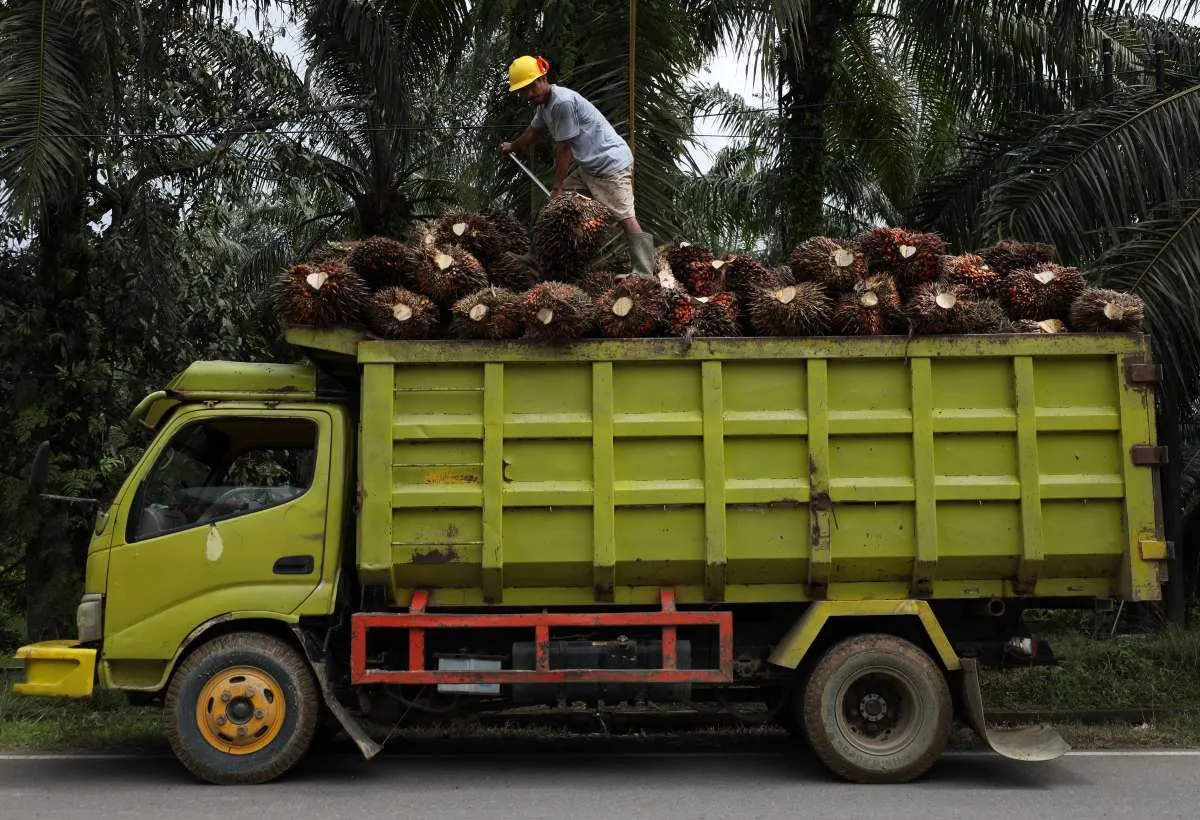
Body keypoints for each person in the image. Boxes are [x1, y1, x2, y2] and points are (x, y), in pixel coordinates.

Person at [500, 54, 656, 277]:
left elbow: (565, 149)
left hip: (610, 165)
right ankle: (534, 257)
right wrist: (513, 146)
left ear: (543, 78)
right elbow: (533, 131)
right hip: (589, 167)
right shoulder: (544, 107)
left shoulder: (562, 102)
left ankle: (644, 272)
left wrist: (557, 188)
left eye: (531, 86)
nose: (529, 94)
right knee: (553, 210)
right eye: (523, 90)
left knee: (625, 216)